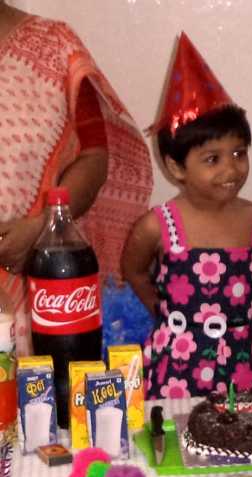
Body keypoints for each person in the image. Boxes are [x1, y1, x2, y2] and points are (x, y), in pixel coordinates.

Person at [122, 33, 252, 399]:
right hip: (178, 363)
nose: (231, 169)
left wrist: (246, 305)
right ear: (175, 166)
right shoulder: (157, 225)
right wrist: (162, 308)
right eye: (213, 159)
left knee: (247, 441)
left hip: (244, 363)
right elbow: (133, 269)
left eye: (239, 153)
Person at [0, 3, 153, 353]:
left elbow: (93, 156)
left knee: (39, 399)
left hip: (42, 285)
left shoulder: (55, 46)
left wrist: (44, 228)